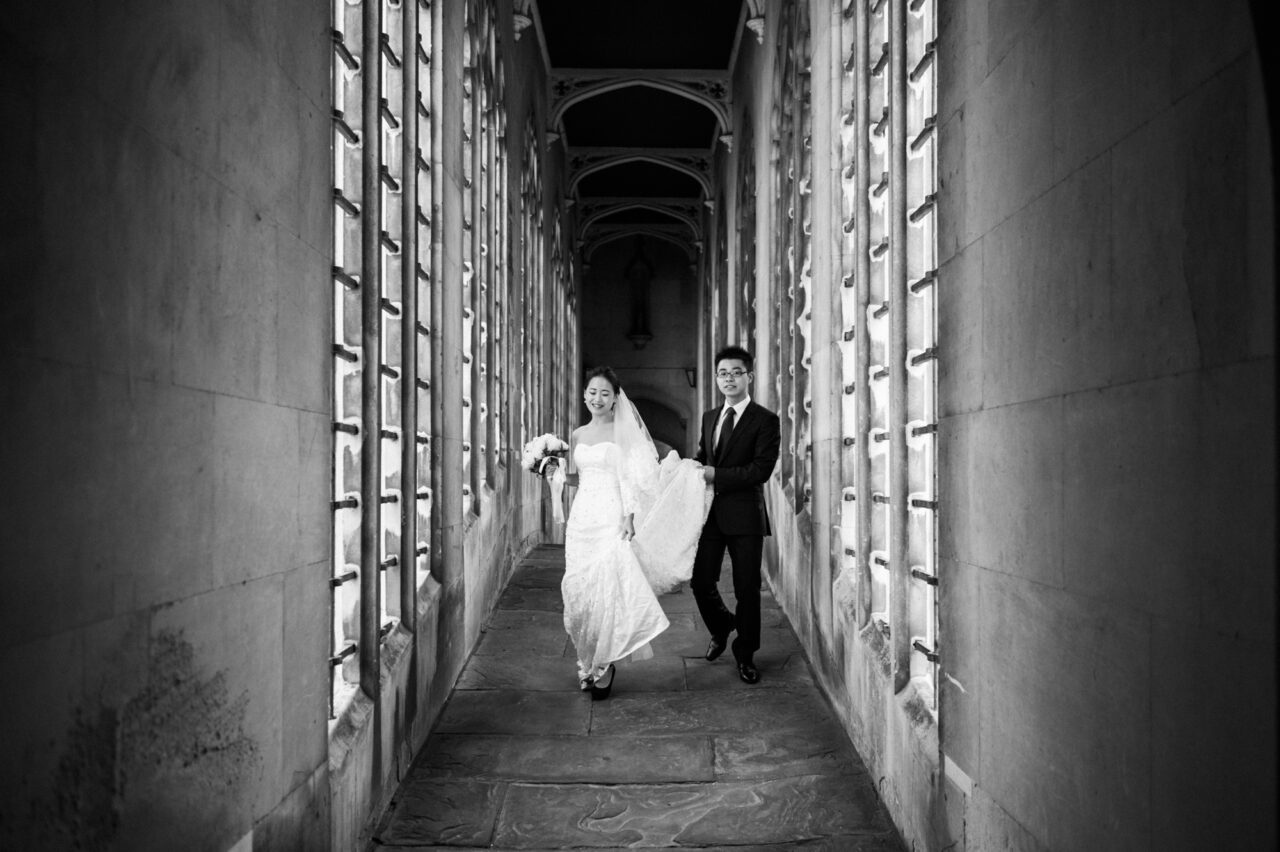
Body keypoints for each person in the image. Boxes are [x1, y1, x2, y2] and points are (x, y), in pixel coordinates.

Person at [543, 367, 671, 700]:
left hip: (611, 516)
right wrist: (553, 473)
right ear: (584, 395)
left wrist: (629, 517)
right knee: (580, 590)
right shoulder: (577, 434)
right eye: (592, 392)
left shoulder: (622, 433)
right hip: (582, 518)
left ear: (615, 398)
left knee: (608, 588)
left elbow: (630, 478)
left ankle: (604, 662)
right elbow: (579, 478)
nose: (597, 398)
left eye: (604, 393)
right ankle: (587, 658)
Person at [692, 345, 781, 684]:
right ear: (717, 379)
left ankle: (745, 655)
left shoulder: (765, 420)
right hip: (712, 515)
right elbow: (704, 457)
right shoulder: (709, 417)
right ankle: (721, 625)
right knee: (700, 580)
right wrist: (687, 469)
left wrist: (716, 475)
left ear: (749, 377)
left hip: (746, 517)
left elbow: (760, 470)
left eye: (736, 372)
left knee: (747, 589)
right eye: (723, 373)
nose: (729, 378)